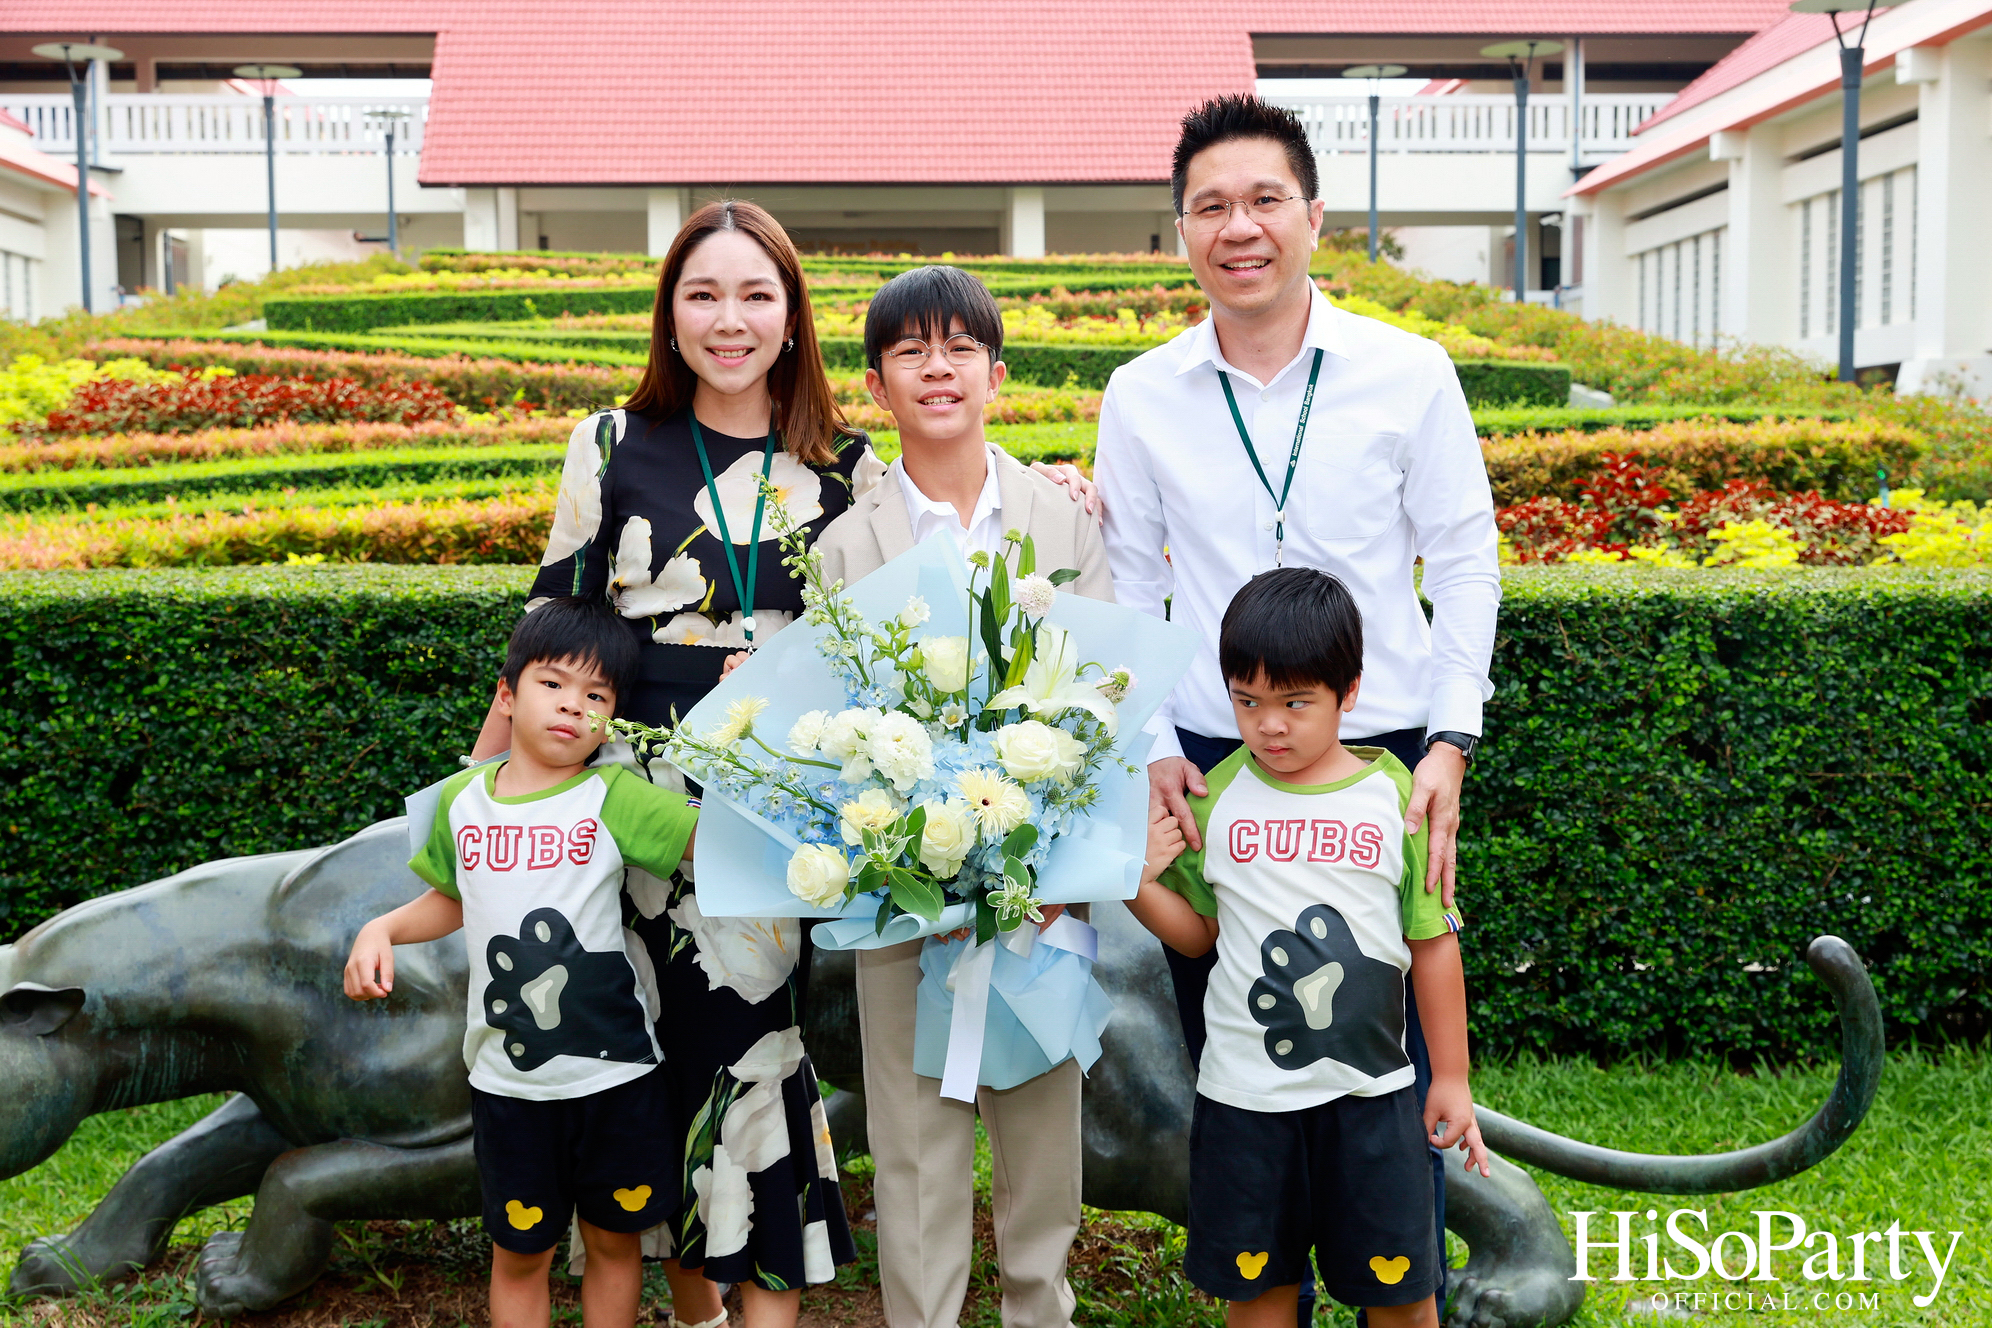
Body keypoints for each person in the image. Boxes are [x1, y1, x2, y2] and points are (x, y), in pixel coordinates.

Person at [1093, 94, 1502, 1306]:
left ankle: (1396, 1269)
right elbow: (1131, 586)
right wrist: (1161, 750)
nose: (1241, 227)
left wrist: (1450, 742)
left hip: (1382, 747)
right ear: (1180, 234)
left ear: (1313, 215)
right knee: (1242, 1070)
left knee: (1396, 1067)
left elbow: (1467, 559)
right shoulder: (1142, 392)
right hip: (1223, 756)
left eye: (1265, 199)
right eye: (1211, 206)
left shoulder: (1408, 370)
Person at [470, 199, 863, 1328]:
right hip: (623, 817)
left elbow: (914, 597)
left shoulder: (845, 464)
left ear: (791, 316)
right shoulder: (606, 443)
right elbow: (546, 636)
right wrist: (474, 808)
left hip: (766, 826)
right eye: (703, 293)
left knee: (752, 1062)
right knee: (645, 1073)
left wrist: (1072, 494)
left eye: (755, 294)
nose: (728, 319)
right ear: (669, 313)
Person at [809, 264, 1112, 1328]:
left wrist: (1060, 866)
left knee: (1042, 1152)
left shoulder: (1067, 520)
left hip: (1038, 893)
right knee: (914, 1155)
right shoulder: (846, 544)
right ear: (879, 386)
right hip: (899, 900)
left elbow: (1104, 697)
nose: (936, 367)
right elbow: (833, 723)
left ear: (997, 371)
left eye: (958, 348)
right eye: (909, 351)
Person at [1129, 568, 1490, 1328]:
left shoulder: (1397, 797)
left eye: (1296, 703)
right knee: (1258, 1299)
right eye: (1248, 702)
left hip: (1373, 1101)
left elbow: (1431, 943)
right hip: (1244, 1104)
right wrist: (1135, 882)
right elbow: (1200, 937)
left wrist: (1450, 1076)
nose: (1270, 726)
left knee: (1401, 1299)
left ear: (1348, 692)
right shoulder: (1216, 794)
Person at [344, 598, 699, 1328]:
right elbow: (453, 898)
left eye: (596, 696)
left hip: (614, 1076)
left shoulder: (614, 797)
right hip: (507, 1086)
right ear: (507, 695)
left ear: (612, 716)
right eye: (553, 684)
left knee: (612, 1238)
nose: (573, 707)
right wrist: (381, 928)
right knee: (520, 1253)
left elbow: (714, 842)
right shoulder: (459, 803)